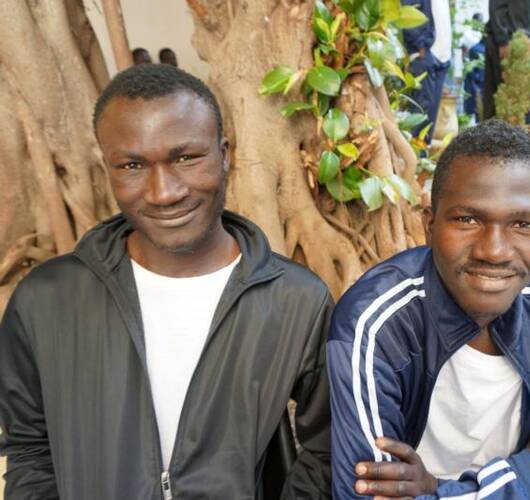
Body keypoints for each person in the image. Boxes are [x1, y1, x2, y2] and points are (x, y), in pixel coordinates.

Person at [0, 64, 332, 498]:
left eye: (185, 157)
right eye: (133, 165)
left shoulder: (295, 300)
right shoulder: (47, 300)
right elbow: (29, 448)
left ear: (225, 154)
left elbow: (328, 450)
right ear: (108, 170)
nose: (163, 192)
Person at [327, 119, 530, 499]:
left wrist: (445, 492)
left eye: (523, 224)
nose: (493, 251)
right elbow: (364, 494)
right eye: (468, 219)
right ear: (429, 226)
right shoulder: (376, 323)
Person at [403, 0, 452, 143]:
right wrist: (420, 46)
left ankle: (423, 150)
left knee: (431, 112)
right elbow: (408, 12)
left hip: (442, 56)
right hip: (425, 55)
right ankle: (416, 155)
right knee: (421, 109)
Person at [482, 0, 530, 120]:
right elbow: (497, 6)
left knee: (515, 101)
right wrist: (502, 40)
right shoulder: (503, 41)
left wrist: (526, 39)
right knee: (500, 100)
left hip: (518, 40)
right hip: (505, 41)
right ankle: (491, 137)